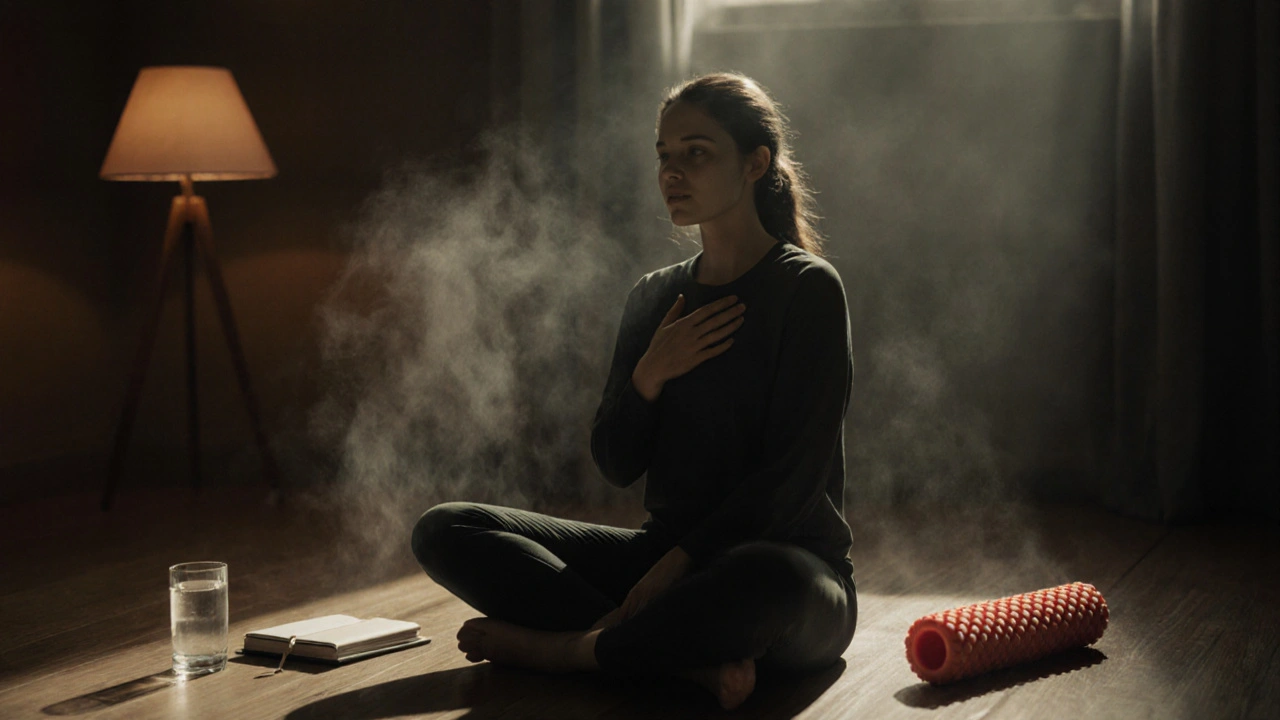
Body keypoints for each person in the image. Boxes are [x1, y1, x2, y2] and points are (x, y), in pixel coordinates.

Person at [411, 71, 857, 711]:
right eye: (664, 155)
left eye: (696, 153)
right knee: (446, 529)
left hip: (787, 571)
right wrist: (650, 375)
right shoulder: (654, 296)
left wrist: (680, 562)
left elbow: (791, 483)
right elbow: (616, 463)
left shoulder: (807, 289)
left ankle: (568, 652)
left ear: (755, 163)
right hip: (661, 559)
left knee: (764, 576)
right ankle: (674, 662)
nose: (672, 172)